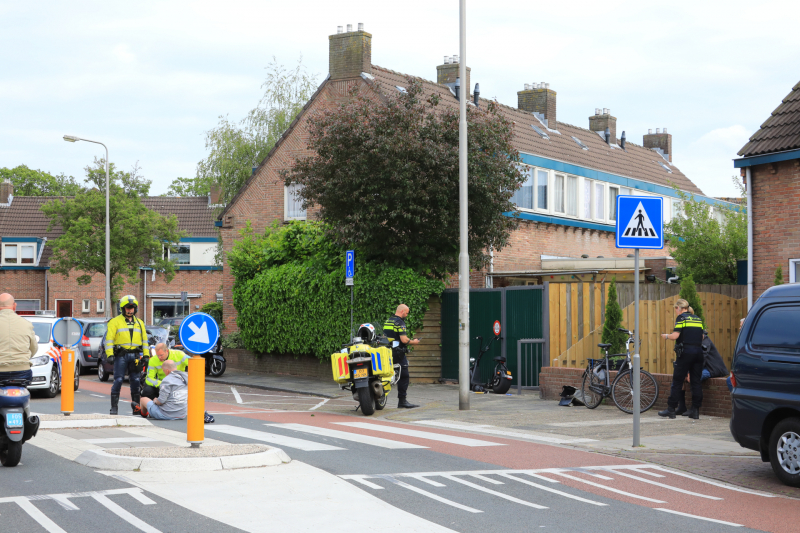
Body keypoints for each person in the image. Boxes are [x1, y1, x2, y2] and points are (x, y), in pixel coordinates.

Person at [659, 299, 705, 419]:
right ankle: (695, 410)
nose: (675, 312)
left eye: (675, 309)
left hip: (685, 353)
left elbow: (675, 336)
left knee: (677, 381)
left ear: (679, 308)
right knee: (696, 382)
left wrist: (666, 336)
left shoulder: (681, 318)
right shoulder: (697, 319)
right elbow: (703, 336)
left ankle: (671, 409)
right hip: (698, 353)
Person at [105, 295, 149, 415]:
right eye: (127, 308)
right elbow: (109, 340)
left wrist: (146, 355)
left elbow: (145, 341)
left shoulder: (140, 323)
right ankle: (114, 408)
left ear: (135, 309)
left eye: (132, 308)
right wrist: (110, 354)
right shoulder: (114, 322)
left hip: (135, 356)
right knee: (118, 380)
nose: (130, 310)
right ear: (122, 309)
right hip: (121, 355)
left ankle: (136, 408)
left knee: (135, 381)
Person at [383, 304, 421, 409]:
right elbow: (404, 340)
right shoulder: (400, 322)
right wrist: (414, 341)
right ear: (402, 311)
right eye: (407, 313)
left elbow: (384, 337)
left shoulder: (388, 321)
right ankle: (402, 401)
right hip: (398, 353)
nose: (407, 315)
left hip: (387, 352)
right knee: (404, 375)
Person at [0, 293, 38, 383]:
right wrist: (23, 359)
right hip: (22, 370)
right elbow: (34, 348)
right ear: (14, 306)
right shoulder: (26, 324)